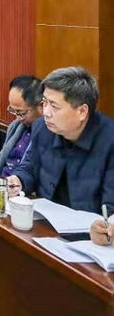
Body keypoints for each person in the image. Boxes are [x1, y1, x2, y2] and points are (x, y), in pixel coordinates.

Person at [6, 68, 114, 222]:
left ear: (82, 111)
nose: (46, 112)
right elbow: (30, 167)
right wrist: (19, 180)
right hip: (45, 223)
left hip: (88, 231)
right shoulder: (42, 128)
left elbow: (110, 207)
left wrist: (105, 226)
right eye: (44, 103)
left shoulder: (109, 141)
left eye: (54, 106)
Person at [0, 75, 43, 177]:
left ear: (41, 106)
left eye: (21, 112)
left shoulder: (48, 135)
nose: (17, 118)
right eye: (13, 111)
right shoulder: (15, 127)